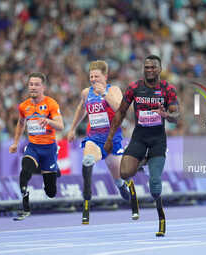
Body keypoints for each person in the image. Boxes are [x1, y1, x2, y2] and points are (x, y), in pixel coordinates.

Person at [104, 55, 179, 236]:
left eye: (153, 67)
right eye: (147, 67)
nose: (149, 70)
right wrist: (109, 138)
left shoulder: (168, 89)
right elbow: (120, 112)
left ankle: (161, 219)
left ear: (160, 69)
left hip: (157, 140)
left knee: (154, 186)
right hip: (139, 137)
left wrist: (165, 115)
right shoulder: (134, 88)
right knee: (124, 173)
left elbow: (176, 118)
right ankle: (143, 161)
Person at [67, 60, 137, 225]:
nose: (93, 79)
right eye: (91, 76)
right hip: (94, 138)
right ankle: (86, 201)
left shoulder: (113, 90)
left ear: (105, 76)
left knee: (120, 175)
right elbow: (81, 108)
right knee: (87, 160)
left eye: (96, 76)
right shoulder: (86, 93)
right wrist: (72, 129)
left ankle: (121, 186)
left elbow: (123, 110)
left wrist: (104, 94)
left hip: (112, 139)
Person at [9, 72, 64, 221]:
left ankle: (52, 169)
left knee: (51, 192)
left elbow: (60, 126)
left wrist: (49, 122)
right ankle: (25, 208)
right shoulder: (24, 106)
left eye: (36, 84)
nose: (33, 87)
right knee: (25, 169)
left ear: (43, 87)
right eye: (31, 84)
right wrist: (15, 142)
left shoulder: (51, 104)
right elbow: (20, 124)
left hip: (49, 149)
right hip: (33, 147)